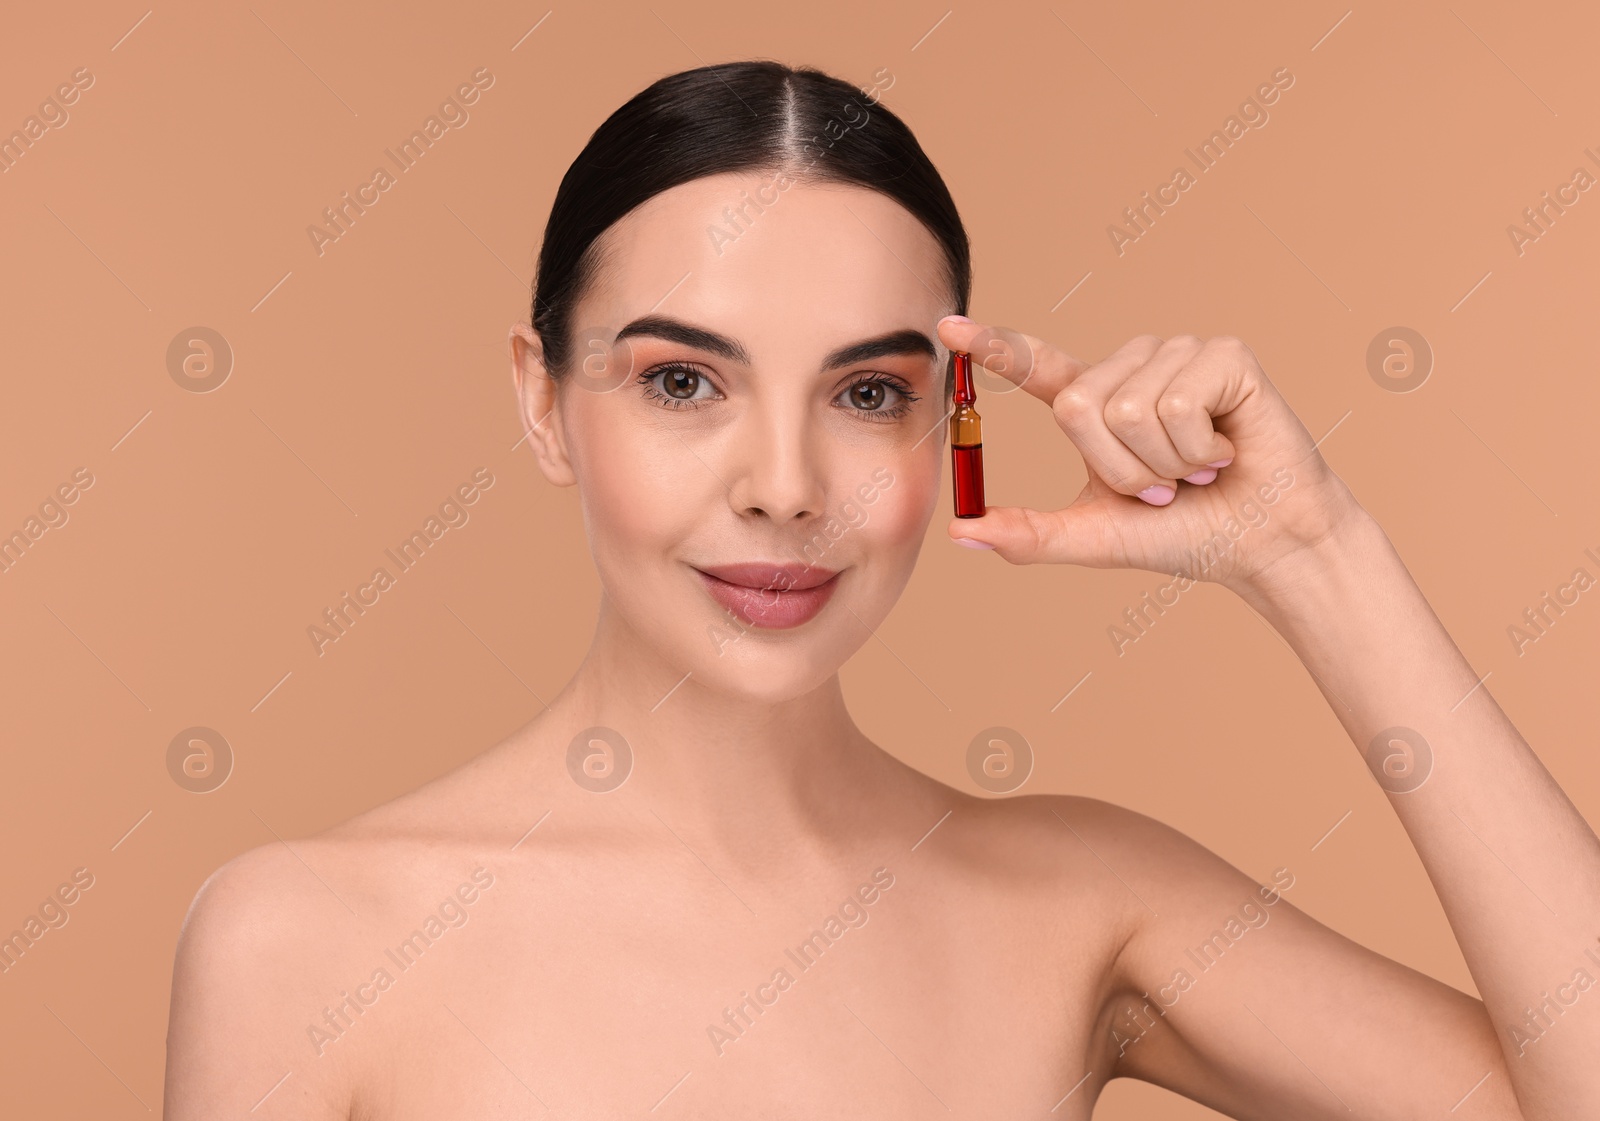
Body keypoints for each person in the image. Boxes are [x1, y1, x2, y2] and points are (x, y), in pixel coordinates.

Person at [164, 59, 1598, 1120]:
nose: (786, 483)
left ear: (949, 419)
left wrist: (1314, 551)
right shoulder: (304, 943)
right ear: (545, 404)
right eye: (681, 380)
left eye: (866, 390)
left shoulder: (1083, 895)